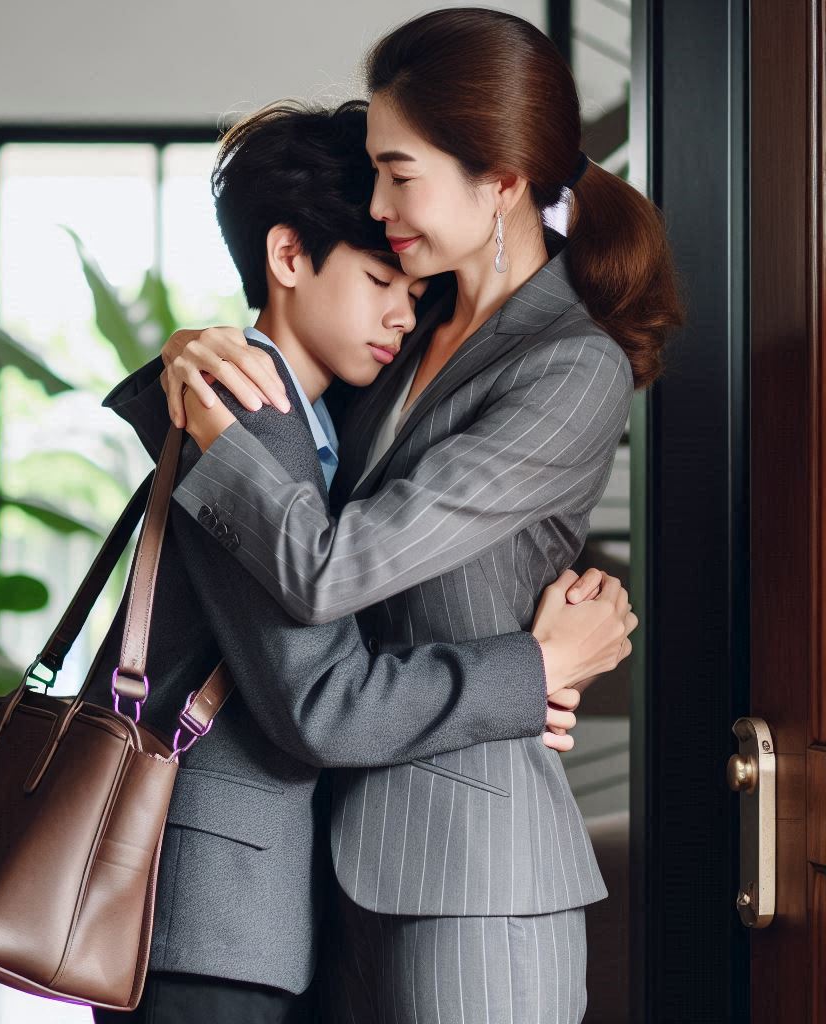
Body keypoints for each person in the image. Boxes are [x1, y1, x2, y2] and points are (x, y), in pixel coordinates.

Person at [149, 10, 683, 1023]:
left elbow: (325, 565)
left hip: (474, 881)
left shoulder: (570, 364)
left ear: (498, 181)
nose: (381, 204)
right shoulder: (418, 320)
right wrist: (189, 359)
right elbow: (294, 435)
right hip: (333, 870)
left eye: (400, 174)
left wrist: (215, 432)